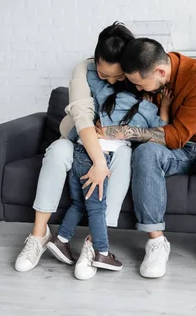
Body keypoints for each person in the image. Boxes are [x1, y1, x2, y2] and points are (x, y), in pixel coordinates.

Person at [97, 38, 196, 282]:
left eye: (140, 84)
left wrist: (121, 131)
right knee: (145, 152)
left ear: (160, 71)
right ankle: (156, 242)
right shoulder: (155, 76)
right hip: (176, 151)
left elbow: (177, 135)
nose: (138, 89)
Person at [14, 22, 136, 272]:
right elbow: (82, 119)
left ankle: (96, 244)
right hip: (78, 136)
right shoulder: (83, 69)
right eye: (104, 76)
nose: (112, 81)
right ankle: (39, 235)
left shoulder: (137, 72)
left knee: (123, 156)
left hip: (116, 143)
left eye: (119, 77)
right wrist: (99, 164)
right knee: (58, 150)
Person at [46, 62, 173, 280]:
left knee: (79, 203)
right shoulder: (148, 110)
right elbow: (163, 131)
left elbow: (94, 77)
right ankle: (102, 253)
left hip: (81, 151)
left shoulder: (106, 96)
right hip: (99, 159)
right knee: (97, 208)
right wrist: (163, 107)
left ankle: (61, 240)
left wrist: (95, 62)